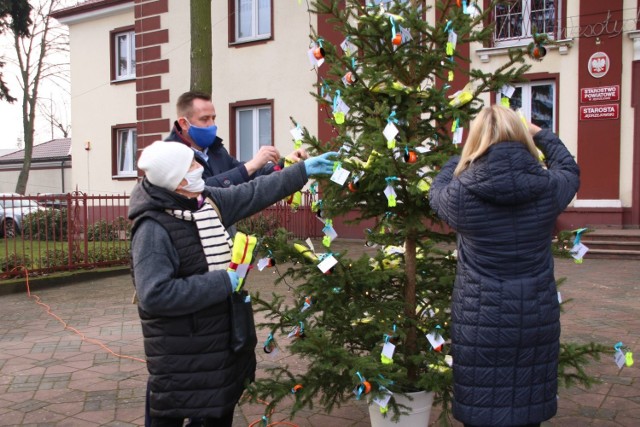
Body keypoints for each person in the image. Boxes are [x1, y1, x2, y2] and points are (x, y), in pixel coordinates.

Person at [129, 141, 336, 427]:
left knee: (217, 412)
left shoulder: (205, 201)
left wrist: (301, 171)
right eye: (191, 164)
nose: (199, 167)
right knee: (173, 414)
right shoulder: (152, 229)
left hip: (219, 344)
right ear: (175, 180)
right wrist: (222, 282)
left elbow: (253, 192)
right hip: (183, 354)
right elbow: (154, 295)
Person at [428, 105, 580, 427]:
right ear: (524, 136)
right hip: (534, 317)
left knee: (481, 408)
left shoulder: (459, 194)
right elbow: (569, 168)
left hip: (479, 319)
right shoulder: (548, 188)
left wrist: (464, 156)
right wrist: (542, 136)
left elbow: (436, 190)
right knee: (527, 408)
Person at [167, 90, 307, 188]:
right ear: (184, 123)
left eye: (213, 118)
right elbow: (201, 189)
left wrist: (285, 163)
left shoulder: (216, 150)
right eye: (204, 119)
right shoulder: (171, 156)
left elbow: (248, 174)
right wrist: (252, 164)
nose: (212, 125)